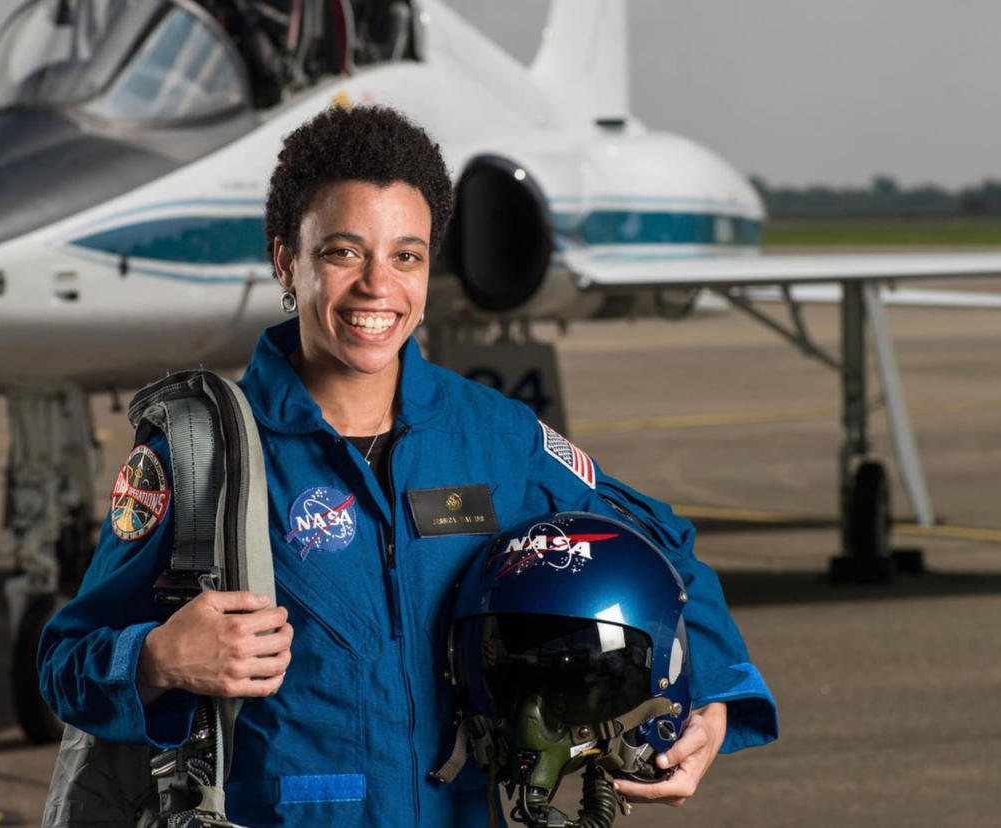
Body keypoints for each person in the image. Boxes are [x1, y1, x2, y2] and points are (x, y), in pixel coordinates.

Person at [38, 105, 777, 827]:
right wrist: (156, 658)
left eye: (406, 255)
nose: (377, 287)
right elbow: (67, 660)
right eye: (343, 251)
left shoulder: (495, 436)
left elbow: (659, 543)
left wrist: (711, 698)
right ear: (284, 259)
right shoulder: (204, 455)